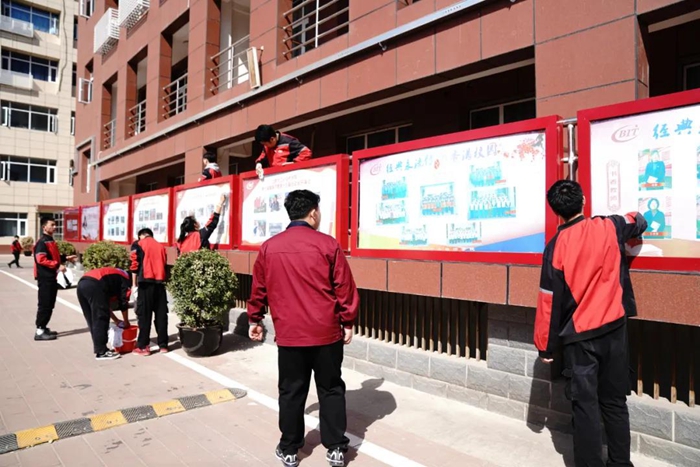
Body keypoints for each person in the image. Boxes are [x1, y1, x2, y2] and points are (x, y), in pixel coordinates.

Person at [534, 180, 647, 467]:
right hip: (615, 329)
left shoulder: (555, 247)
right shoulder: (610, 226)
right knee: (615, 401)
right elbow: (637, 220)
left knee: (585, 406)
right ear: (583, 200)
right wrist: (635, 221)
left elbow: (548, 301)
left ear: (556, 211)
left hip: (580, 337)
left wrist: (545, 347)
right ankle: (620, 463)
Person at [248, 190, 359, 467]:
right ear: (313, 212)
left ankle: (289, 448)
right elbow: (344, 287)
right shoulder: (328, 245)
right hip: (326, 333)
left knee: (291, 391)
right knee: (331, 388)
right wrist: (348, 321)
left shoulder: (269, 247)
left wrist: (255, 318)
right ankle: (336, 448)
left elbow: (259, 286)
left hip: (290, 336)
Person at [34, 217, 77, 341]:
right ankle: (39, 330)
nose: (55, 227)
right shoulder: (42, 242)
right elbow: (41, 259)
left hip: (51, 277)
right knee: (45, 304)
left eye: (55, 225)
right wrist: (57, 265)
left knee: (49, 304)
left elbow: (52, 256)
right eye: (52, 225)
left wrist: (65, 258)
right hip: (45, 278)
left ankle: (43, 327)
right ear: (44, 227)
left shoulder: (50, 240)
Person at [76, 267, 132, 361]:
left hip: (82, 284)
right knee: (100, 318)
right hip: (95, 285)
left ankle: (99, 347)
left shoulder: (114, 275)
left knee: (92, 318)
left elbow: (106, 306)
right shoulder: (125, 279)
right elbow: (124, 302)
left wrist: (116, 320)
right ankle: (102, 352)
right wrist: (126, 322)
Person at [130, 228, 168, 355]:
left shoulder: (138, 244)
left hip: (145, 283)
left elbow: (134, 265)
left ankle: (143, 346)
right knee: (161, 315)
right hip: (160, 284)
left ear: (141, 236)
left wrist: (134, 285)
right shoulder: (161, 246)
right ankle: (163, 345)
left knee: (144, 315)